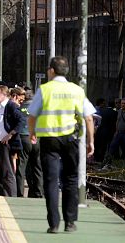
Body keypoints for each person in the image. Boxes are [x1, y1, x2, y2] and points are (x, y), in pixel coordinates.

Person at [28, 56, 95, 234]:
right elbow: (89, 117)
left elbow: (32, 114)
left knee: (50, 181)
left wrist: (32, 132)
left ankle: (54, 223)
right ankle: (70, 222)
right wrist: (90, 141)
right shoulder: (76, 90)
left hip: (49, 139)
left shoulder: (44, 89)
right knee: (70, 179)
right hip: (71, 139)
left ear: (51, 70)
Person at [0, 85, 24, 197]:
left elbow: (21, 121)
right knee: (0, 172)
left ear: (4, 95)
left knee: (7, 172)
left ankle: (10, 196)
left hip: (6, 144)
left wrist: (10, 134)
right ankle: (2, 194)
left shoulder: (11, 106)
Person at [12, 87, 32, 197]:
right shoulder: (36, 106)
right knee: (36, 167)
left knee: (21, 167)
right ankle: (37, 193)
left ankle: (19, 193)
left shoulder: (19, 107)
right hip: (34, 138)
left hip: (22, 137)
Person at [24, 88, 44, 198]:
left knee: (27, 166)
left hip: (26, 137)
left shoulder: (22, 106)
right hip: (38, 138)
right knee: (38, 166)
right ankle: (39, 192)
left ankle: (31, 190)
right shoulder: (40, 108)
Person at [106, 97, 125, 165]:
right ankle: (107, 162)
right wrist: (116, 130)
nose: (123, 105)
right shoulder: (119, 111)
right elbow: (117, 121)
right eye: (122, 103)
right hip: (118, 132)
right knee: (112, 147)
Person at [94, 97, 117, 163]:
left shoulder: (102, 111)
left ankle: (97, 158)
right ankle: (104, 159)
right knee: (105, 146)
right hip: (108, 131)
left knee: (98, 145)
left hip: (99, 130)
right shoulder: (114, 113)